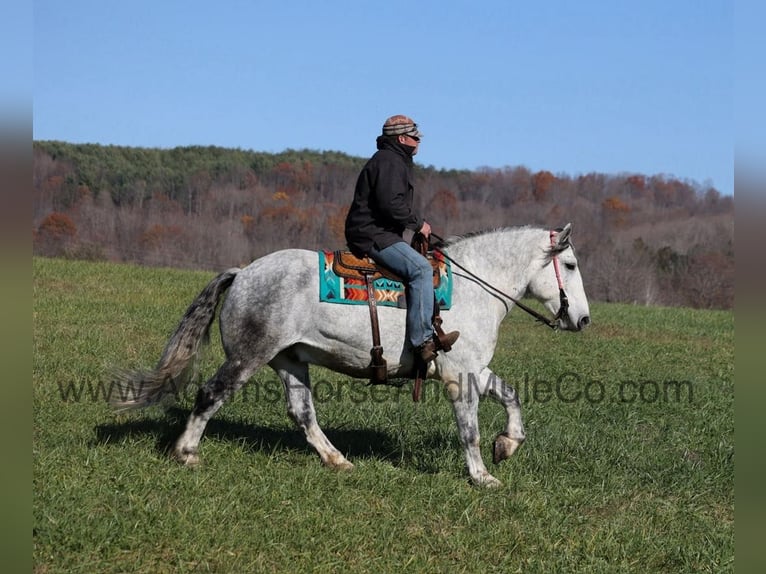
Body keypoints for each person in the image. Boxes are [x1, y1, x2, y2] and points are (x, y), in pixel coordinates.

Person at [344, 114, 459, 363]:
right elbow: (390, 204)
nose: (419, 142)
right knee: (420, 269)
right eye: (416, 137)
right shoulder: (390, 162)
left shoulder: (393, 160)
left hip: (378, 232)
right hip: (372, 234)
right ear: (403, 138)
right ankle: (422, 342)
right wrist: (418, 224)